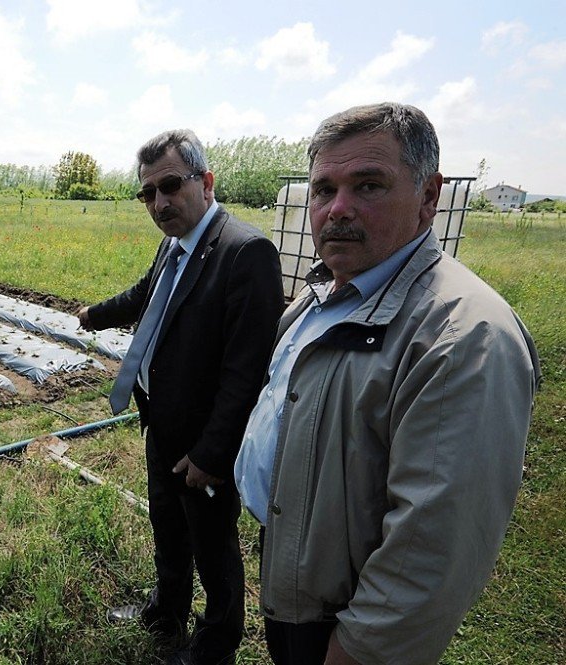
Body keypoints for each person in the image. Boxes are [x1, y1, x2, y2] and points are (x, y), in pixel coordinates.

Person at [234, 102, 541, 665]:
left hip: (345, 622)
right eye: (323, 189)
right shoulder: (324, 294)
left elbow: (432, 546)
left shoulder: (464, 335)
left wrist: (360, 649)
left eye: (369, 186)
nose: (337, 210)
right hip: (300, 574)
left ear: (429, 198)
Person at [77, 129, 284, 664]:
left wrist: (214, 454)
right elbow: (145, 296)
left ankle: (215, 645)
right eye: (147, 193)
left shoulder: (245, 252)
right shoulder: (174, 244)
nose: (159, 202)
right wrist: (94, 316)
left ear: (206, 182)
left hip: (203, 440)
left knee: (214, 548)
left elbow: (246, 372)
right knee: (168, 526)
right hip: (162, 425)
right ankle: (166, 611)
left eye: (170, 185)